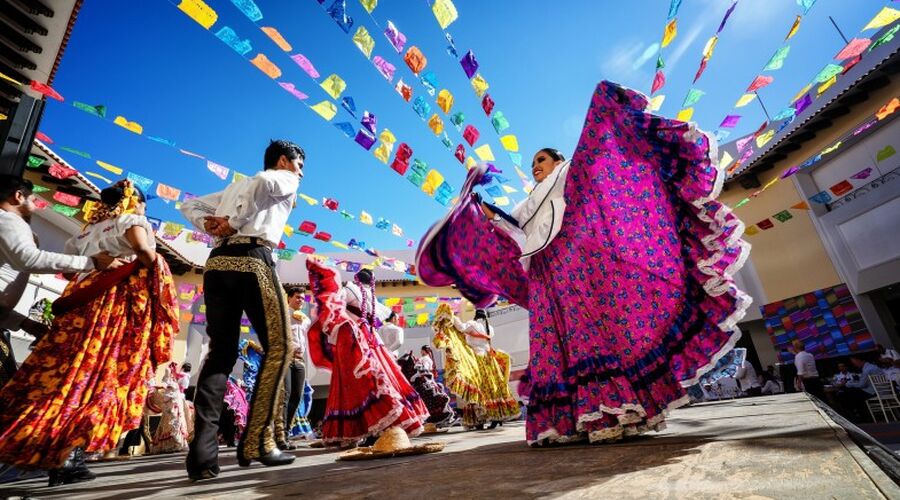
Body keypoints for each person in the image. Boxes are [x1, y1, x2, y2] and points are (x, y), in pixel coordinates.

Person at [416, 82, 751, 444]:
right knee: (553, 341)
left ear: (557, 160)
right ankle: (570, 420)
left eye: (541, 160)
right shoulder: (531, 200)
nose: (535, 167)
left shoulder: (571, 173)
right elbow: (510, 229)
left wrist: (604, 108)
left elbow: (598, 173)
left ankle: (616, 409)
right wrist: (480, 213)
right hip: (545, 273)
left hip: (577, 265)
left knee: (591, 332)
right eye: (532, 165)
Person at [0, 180, 178, 486]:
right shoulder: (133, 220)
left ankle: (59, 452)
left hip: (78, 304)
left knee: (64, 376)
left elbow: (70, 272)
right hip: (112, 306)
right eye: (143, 203)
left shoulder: (85, 231)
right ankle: (68, 456)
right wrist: (152, 265)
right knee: (101, 376)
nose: (144, 209)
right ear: (131, 201)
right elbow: (142, 250)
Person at [181, 140, 304, 480]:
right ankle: (258, 441)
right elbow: (266, 184)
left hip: (217, 264)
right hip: (253, 261)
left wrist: (210, 224)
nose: (301, 173)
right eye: (300, 164)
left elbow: (188, 205)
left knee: (220, 354)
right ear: (284, 160)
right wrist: (234, 222)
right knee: (281, 347)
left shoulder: (234, 185)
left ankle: (202, 458)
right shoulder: (281, 178)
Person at [0, 176, 122, 387]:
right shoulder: (9, 219)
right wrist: (92, 262)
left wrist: (24, 323)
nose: (35, 207)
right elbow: (30, 259)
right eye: (33, 200)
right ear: (18, 196)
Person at [304, 260, 429, 447]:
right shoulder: (372, 297)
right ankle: (377, 428)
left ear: (356, 278)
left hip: (356, 341)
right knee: (377, 381)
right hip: (373, 340)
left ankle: (364, 430)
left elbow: (332, 308)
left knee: (355, 385)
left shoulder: (350, 290)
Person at [431, 305, 520, 430]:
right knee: (493, 388)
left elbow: (460, 327)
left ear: (475, 315)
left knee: (479, 388)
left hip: (478, 359)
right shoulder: (489, 328)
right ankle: (496, 417)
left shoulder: (472, 324)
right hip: (490, 360)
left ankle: (480, 418)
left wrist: (451, 316)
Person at [280, 287, 310, 449]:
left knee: (297, 397)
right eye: (297, 297)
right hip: (285, 359)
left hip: (299, 360)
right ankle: (281, 436)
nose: (300, 300)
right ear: (289, 298)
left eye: (302, 298)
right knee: (286, 396)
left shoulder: (305, 319)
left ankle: (287, 433)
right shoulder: (283, 315)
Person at [148, 363, 193, 454]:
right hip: (173, 400)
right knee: (170, 420)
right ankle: (174, 442)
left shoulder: (182, 376)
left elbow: (175, 386)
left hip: (176, 400)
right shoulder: (175, 375)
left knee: (176, 419)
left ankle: (177, 442)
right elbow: (166, 384)